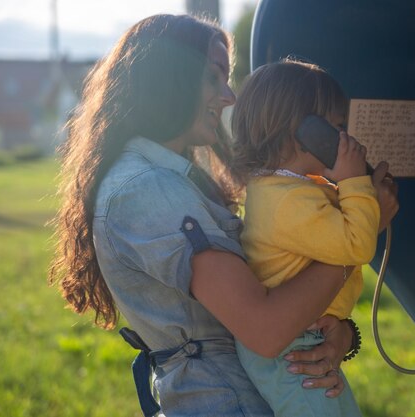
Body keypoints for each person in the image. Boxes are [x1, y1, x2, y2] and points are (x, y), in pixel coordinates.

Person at [49, 14, 362, 417]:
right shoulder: (147, 190)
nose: (229, 97)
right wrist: (354, 239)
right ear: (169, 78)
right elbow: (264, 329)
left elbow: (276, 298)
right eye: (214, 78)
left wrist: (340, 338)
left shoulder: (175, 182)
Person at [230, 59, 399, 417]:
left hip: (307, 338)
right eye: (337, 127)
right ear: (305, 131)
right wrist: (354, 183)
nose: (346, 138)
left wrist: (364, 190)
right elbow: (356, 244)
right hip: (294, 348)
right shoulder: (288, 198)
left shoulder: (289, 189)